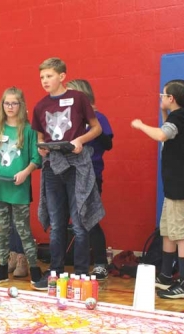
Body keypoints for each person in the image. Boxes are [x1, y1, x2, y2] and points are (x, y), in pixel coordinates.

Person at [31, 58, 104, 290]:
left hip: (76, 166)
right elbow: (41, 137)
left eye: (49, 76)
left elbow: (96, 128)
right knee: (56, 223)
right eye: (42, 77)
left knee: (80, 220)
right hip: (53, 167)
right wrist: (42, 148)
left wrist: (80, 140)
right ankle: (55, 273)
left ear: (62, 76)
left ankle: (80, 276)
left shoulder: (79, 99)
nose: (45, 81)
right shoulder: (40, 106)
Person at [131, 79, 184, 299]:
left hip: (181, 184)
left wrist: (140, 125)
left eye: (163, 95)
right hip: (175, 184)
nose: (161, 97)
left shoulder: (178, 117)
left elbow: (162, 135)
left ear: (171, 98)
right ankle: (165, 276)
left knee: (180, 233)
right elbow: (170, 133)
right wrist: (163, 113)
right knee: (167, 230)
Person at [0, 86, 43, 285]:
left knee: (23, 230)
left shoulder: (28, 130)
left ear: (21, 105)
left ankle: (34, 270)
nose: (10, 107)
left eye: (14, 103)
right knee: (3, 230)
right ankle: (1, 269)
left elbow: (36, 158)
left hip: (18, 188)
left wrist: (25, 173)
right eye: (6, 103)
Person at [66, 79, 114, 280]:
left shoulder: (97, 117)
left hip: (91, 174)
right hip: (70, 174)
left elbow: (108, 144)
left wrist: (92, 128)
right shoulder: (69, 119)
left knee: (90, 219)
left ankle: (101, 263)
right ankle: (78, 264)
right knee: (73, 220)